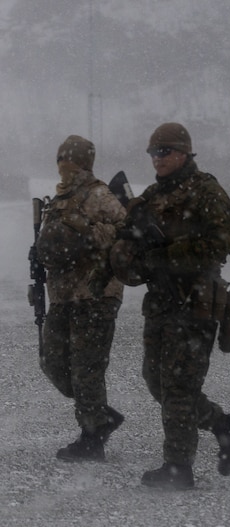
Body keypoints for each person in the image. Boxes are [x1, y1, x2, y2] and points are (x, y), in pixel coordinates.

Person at [109, 122, 230, 489]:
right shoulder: (151, 197)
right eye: (154, 153)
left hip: (195, 303)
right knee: (157, 382)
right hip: (160, 304)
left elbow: (222, 240)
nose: (158, 159)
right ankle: (224, 425)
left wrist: (168, 256)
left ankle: (178, 467)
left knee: (178, 387)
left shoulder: (205, 191)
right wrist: (133, 258)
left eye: (165, 152)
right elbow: (134, 249)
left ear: (184, 153)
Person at [35, 135, 126, 462]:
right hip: (62, 295)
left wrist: (87, 234)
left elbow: (125, 234)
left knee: (87, 369)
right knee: (52, 362)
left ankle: (92, 438)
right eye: (61, 160)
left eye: (70, 161)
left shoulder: (100, 195)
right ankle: (99, 414)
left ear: (84, 164)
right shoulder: (58, 200)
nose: (64, 167)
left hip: (95, 294)